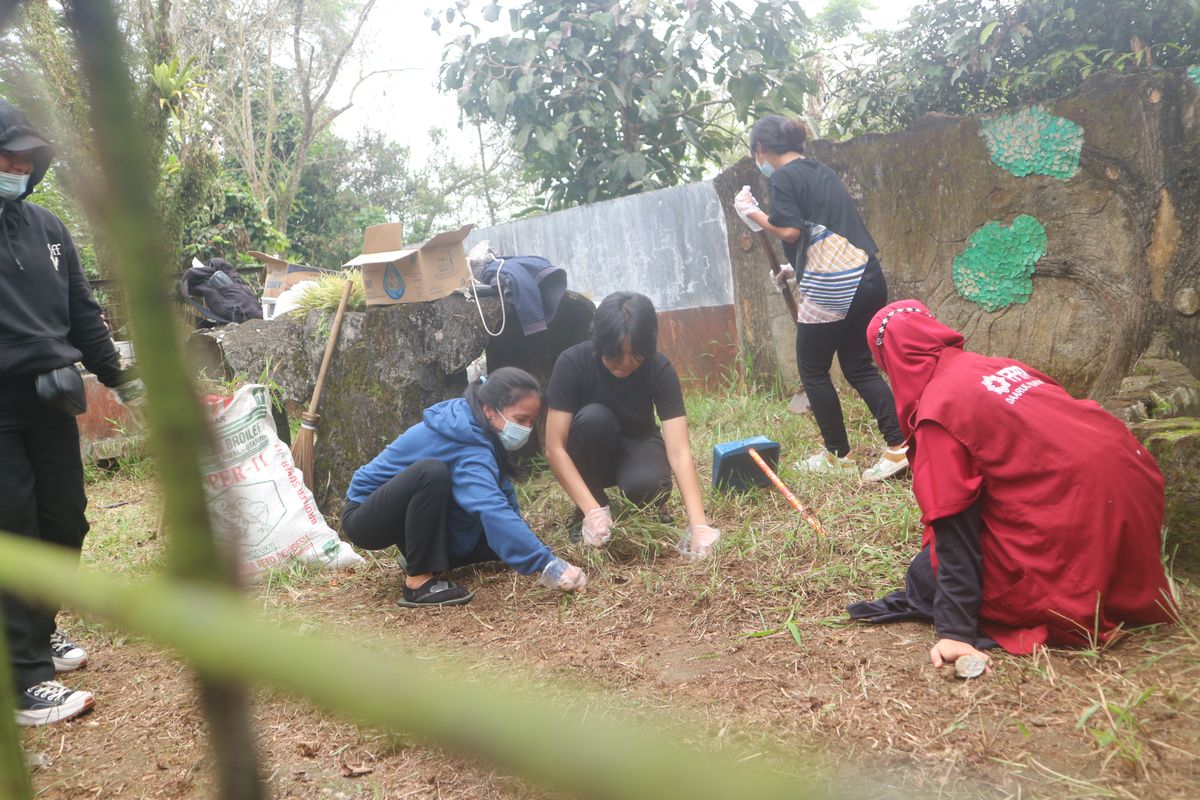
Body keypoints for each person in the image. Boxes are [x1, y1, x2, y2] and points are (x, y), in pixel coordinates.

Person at [848, 300, 1177, 667]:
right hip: (1129, 519)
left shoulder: (939, 409)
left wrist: (956, 633)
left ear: (891, 360)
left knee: (925, 575)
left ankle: (1066, 595)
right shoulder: (1002, 366)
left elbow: (954, 523)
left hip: (1077, 540)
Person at [1, 98, 143, 725]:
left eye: (26, 157)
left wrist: (127, 382)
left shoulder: (49, 228)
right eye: (6, 155)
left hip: (53, 401)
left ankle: (41, 627)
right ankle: (24, 678)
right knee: (16, 535)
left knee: (65, 523)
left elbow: (85, 317)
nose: (18, 166)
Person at [733, 115, 907, 482]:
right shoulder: (819, 170)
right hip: (867, 275)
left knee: (812, 368)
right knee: (859, 366)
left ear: (761, 149)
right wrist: (794, 270)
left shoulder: (782, 176)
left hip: (835, 284)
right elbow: (826, 231)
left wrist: (754, 215)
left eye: (755, 155)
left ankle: (838, 456)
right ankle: (901, 446)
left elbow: (791, 230)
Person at [343, 367, 587, 606]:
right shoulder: (466, 441)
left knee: (502, 546)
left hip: (405, 513)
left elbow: (502, 493)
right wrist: (547, 564)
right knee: (431, 472)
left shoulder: (475, 423)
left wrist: (530, 544)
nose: (526, 429)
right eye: (520, 419)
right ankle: (417, 581)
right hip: (366, 517)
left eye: (532, 422)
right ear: (490, 409)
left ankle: (419, 555)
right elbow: (490, 506)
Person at [544, 292, 720, 556]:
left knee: (647, 486)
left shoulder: (659, 368)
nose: (626, 362)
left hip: (637, 443)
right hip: (591, 448)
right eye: (616, 354)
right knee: (594, 418)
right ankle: (591, 506)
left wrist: (699, 524)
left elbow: (679, 450)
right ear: (598, 341)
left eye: (636, 354)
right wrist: (592, 511)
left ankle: (647, 503)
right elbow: (554, 448)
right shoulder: (572, 363)